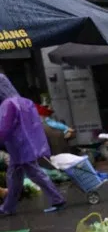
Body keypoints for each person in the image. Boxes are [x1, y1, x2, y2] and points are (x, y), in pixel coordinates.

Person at [0, 74, 66, 215]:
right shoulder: (24, 102)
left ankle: (57, 199)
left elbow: (3, 129)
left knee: (33, 174)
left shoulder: (8, 104)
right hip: (25, 144)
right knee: (14, 176)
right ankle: (8, 207)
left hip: (18, 146)